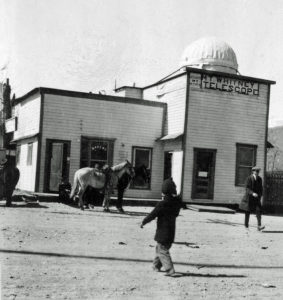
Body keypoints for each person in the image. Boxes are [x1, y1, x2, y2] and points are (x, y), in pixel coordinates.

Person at [140, 177, 182, 277]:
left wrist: (143, 222)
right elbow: (176, 212)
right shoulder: (176, 204)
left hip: (162, 232)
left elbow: (152, 215)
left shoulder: (162, 204)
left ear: (163, 191)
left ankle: (170, 270)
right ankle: (156, 266)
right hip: (171, 233)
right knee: (160, 249)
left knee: (162, 251)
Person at [239, 166, 265, 231]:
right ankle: (246, 226)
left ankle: (259, 226)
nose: (257, 173)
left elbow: (261, 188)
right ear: (253, 171)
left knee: (259, 211)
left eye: (258, 171)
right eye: (256, 171)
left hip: (256, 198)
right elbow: (247, 188)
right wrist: (252, 193)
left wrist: (260, 195)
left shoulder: (260, 179)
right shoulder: (249, 178)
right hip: (249, 198)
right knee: (247, 212)